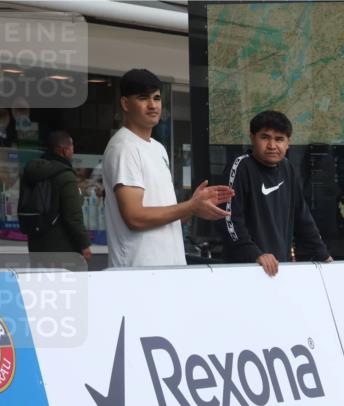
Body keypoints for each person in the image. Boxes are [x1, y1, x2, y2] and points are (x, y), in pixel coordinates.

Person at [103, 68, 233, 268]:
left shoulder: (158, 148)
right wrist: (190, 206)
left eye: (156, 98)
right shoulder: (124, 147)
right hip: (138, 273)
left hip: (168, 269)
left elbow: (164, 214)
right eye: (143, 98)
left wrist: (196, 207)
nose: (152, 105)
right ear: (125, 104)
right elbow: (134, 217)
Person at [222, 110, 332, 276]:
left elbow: (302, 218)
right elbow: (229, 219)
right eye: (265, 137)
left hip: (280, 270)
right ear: (252, 138)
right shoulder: (240, 167)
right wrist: (254, 254)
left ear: (288, 143)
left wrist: (323, 256)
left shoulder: (288, 168)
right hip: (244, 271)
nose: (272, 145)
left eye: (279, 139)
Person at [20, 130, 92, 261]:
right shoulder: (65, 175)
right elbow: (73, 216)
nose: (73, 152)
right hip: (63, 248)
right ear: (63, 150)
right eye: (71, 148)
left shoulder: (31, 172)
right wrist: (84, 244)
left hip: (36, 244)